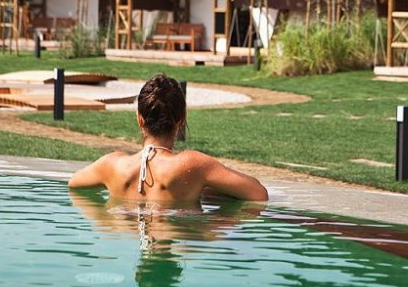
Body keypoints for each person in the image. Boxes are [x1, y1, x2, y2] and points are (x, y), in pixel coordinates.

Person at [68, 74, 268, 202]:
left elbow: (74, 184)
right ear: (181, 119)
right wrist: (204, 187)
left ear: (139, 119)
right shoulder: (192, 165)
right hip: (180, 230)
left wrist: (104, 219)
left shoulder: (111, 165)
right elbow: (258, 193)